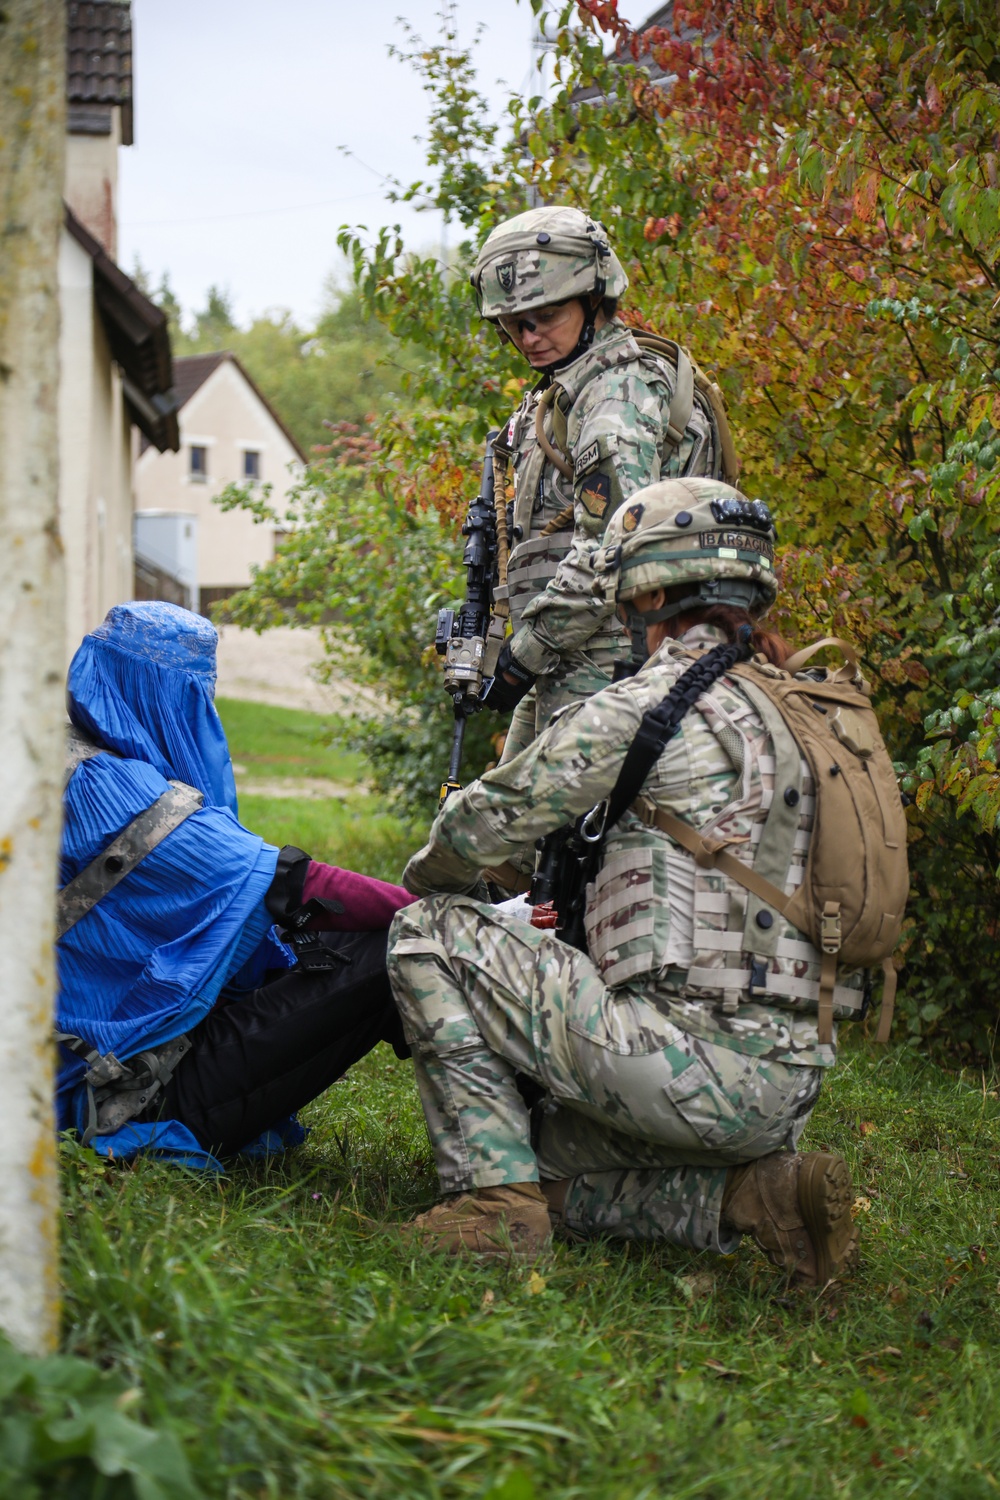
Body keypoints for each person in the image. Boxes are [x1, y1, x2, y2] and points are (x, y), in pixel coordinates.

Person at [387, 478, 870, 1287]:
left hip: (673, 1068)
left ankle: (490, 1208)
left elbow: (478, 826)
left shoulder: (651, 704)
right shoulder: (814, 716)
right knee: (547, 1162)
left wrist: (429, 886)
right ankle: (757, 1195)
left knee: (427, 932)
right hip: (789, 1084)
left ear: (644, 592)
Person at [56, 601, 412, 1169]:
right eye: (196, 700)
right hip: (107, 1098)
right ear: (163, 695)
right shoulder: (107, 790)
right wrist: (443, 911)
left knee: (345, 944)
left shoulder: (54, 756)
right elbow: (291, 884)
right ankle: (505, 1160)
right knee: (398, 946)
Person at [472, 204, 738, 763]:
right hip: (578, 652)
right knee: (506, 832)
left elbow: (609, 553)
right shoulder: (565, 392)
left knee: (566, 839)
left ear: (594, 297)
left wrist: (523, 655)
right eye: (513, 323)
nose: (529, 336)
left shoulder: (617, 393)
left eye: (544, 314)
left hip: (619, 660)